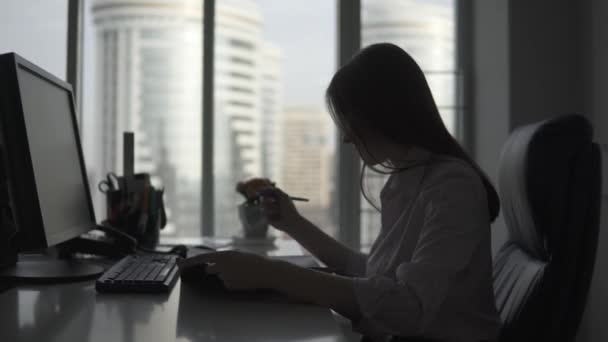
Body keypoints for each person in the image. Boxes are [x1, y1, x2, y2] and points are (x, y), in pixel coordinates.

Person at [178, 43, 501, 342]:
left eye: (351, 123)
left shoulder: (453, 187)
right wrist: (293, 223)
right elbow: (373, 273)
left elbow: (409, 307)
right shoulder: (407, 178)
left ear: (383, 114)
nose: (347, 138)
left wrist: (273, 273)